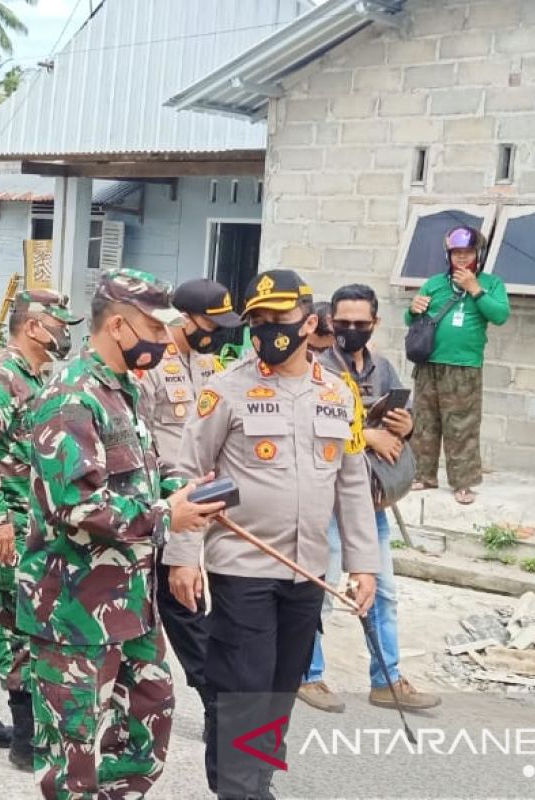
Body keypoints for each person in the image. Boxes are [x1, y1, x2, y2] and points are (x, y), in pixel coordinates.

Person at [164, 269, 379, 800]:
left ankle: (251, 779)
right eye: (257, 320)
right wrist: (183, 556)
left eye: (276, 319)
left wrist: (363, 564)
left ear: (310, 322)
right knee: (244, 686)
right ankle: (242, 790)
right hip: (242, 565)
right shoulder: (226, 388)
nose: (265, 330)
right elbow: (192, 476)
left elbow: (352, 483)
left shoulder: (338, 392)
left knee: (280, 690)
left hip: (307, 570)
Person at [19, 268, 225, 799]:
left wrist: (186, 490)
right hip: (74, 614)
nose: (163, 341)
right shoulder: (71, 398)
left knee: (146, 735)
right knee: (74, 758)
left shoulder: (121, 391)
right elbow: (75, 505)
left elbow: (142, 473)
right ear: (118, 327)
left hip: (131, 606)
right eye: (155, 331)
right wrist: (165, 517)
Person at [0, 290, 82, 770]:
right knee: (22, 619)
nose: (66, 333)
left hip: (14, 515)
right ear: (32, 327)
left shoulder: (33, 375)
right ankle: (29, 741)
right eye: (58, 324)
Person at [298, 284, 441, 715]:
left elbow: (409, 420)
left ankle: (388, 680)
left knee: (382, 593)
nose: (351, 330)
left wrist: (403, 426)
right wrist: (366, 436)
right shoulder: (314, 369)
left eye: (361, 324)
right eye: (343, 323)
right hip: (326, 500)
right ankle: (309, 674)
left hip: (370, 498)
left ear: (374, 324)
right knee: (318, 590)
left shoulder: (383, 368)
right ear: (330, 323)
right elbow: (310, 432)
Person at [136, 278, 244, 711]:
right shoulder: (150, 367)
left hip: (198, 497)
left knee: (186, 600)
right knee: (181, 601)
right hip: (158, 502)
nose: (217, 332)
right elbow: (137, 439)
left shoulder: (207, 364)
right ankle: (215, 697)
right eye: (210, 323)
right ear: (182, 318)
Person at [406, 225, 510, 505]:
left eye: (468, 253)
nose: (462, 259)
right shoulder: (435, 283)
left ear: (478, 254)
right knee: (425, 422)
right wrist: (412, 309)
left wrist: (475, 290)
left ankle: (463, 483)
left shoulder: (492, 283)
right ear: (448, 255)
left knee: (462, 426)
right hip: (429, 364)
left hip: (464, 366)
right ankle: (422, 475)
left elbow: (500, 315)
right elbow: (412, 322)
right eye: (456, 253)